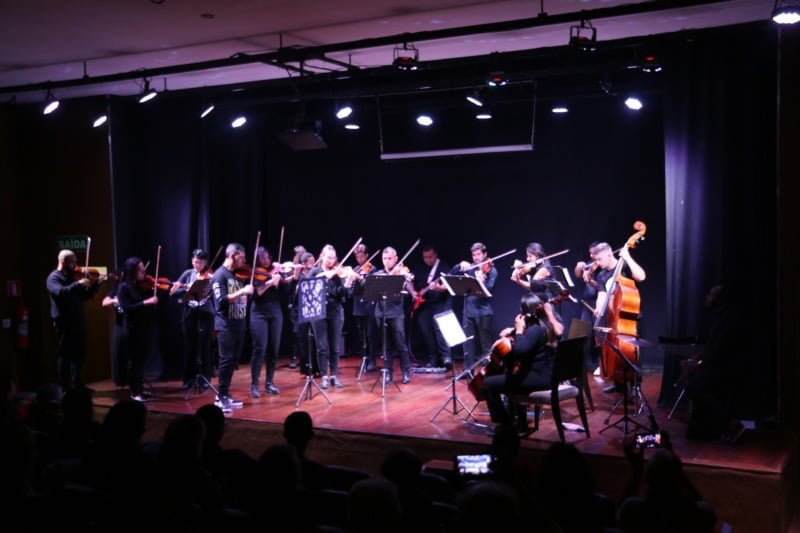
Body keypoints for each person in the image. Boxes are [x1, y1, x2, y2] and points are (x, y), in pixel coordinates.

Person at [480, 292, 563, 435]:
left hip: (538, 379)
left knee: (488, 383)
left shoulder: (535, 329)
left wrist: (518, 331)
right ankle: (521, 422)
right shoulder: (547, 325)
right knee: (513, 373)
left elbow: (520, 351)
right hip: (547, 376)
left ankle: (505, 425)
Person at [685, 285, 746, 442]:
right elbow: (712, 348)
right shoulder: (719, 318)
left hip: (726, 369)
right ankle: (705, 429)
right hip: (718, 366)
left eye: (711, 295)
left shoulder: (728, 319)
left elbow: (720, 352)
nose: (707, 297)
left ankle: (731, 423)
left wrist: (698, 364)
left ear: (720, 299)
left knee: (693, 386)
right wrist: (697, 358)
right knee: (692, 381)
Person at [590, 241, 646, 393]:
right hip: (613, 318)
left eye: (600, 259)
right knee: (615, 350)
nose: (597, 263)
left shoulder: (624, 266)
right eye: (596, 260)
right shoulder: (601, 275)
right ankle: (619, 383)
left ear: (609, 254)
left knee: (632, 351)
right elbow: (602, 295)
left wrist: (627, 257)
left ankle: (635, 385)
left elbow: (641, 277)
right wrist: (599, 307)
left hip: (628, 315)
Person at [46, 249, 106, 392]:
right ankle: (65, 388)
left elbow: (84, 296)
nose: (76, 265)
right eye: (73, 262)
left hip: (77, 321)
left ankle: (77, 385)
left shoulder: (72, 278)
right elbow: (60, 292)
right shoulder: (53, 278)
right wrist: (78, 284)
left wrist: (96, 285)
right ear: (63, 262)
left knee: (79, 354)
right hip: (64, 323)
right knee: (66, 355)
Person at [210, 243, 254, 409]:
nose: (244, 260)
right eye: (241, 257)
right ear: (232, 256)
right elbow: (221, 300)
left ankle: (226, 393)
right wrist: (242, 291)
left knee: (233, 361)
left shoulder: (236, 274)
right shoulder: (219, 275)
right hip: (226, 325)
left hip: (239, 323)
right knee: (226, 360)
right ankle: (221, 396)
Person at [309, 244, 359, 388]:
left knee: (335, 346)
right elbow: (307, 285)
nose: (331, 261)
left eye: (333, 258)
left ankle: (334, 376)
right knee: (322, 346)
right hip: (318, 311)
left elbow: (344, 294)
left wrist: (348, 281)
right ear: (322, 257)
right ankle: (324, 376)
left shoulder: (338, 273)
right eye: (328, 257)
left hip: (335, 311)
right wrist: (325, 276)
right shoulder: (315, 271)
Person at [170, 249, 215, 391]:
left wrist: (209, 282)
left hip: (205, 313)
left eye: (200, 263)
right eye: (195, 262)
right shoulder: (188, 274)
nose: (198, 265)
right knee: (190, 347)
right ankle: (188, 379)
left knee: (205, 346)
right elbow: (173, 293)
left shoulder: (210, 275)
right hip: (190, 313)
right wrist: (186, 289)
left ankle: (205, 378)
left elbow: (215, 291)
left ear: (205, 263)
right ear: (192, 261)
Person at [116, 257, 159, 401]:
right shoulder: (123, 287)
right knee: (134, 362)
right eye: (140, 270)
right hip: (131, 329)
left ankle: (140, 389)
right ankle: (134, 392)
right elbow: (127, 308)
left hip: (142, 328)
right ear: (132, 271)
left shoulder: (138, 285)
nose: (143, 272)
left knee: (140, 361)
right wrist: (146, 302)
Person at [451, 242, 498, 371]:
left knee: (485, 345)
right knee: (468, 344)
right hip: (468, 311)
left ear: (485, 254)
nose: (476, 257)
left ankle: (488, 371)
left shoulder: (491, 270)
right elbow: (452, 273)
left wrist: (481, 282)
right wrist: (460, 265)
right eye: (474, 255)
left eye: (478, 254)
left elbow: (489, 290)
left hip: (483, 312)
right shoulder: (470, 268)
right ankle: (468, 370)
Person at [372, 246, 413, 384]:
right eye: (384, 258)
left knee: (401, 344)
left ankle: (406, 372)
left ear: (396, 259)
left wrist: (402, 277)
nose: (387, 261)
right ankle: (388, 372)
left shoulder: (401, 273)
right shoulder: (379, 274)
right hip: (381, 313)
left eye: (389, 258)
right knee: (386, 346)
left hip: (396, 313)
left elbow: (406, 285)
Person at [409, 244, 452, 369]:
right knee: (426, 330)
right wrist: (413, 292)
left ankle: (446, 357)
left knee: (440, 330)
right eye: (425, 257)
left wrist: (437, 288)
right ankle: (433, 357)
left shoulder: (443, 267)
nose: (427, 260)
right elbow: (409, 280)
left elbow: (446, 286)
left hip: (440, 303)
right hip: (424, 304)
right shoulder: (419, 267)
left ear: (435, 255)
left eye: (430, 257)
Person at [248, 247, 284, 397]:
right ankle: (254, 385)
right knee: (260, 348)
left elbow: (285, 280)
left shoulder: (274, 270)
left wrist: (288, 273)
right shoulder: (254, 273)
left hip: (275, 311)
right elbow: (258, 291)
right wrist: (270, 282)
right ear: (257, 259)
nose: (266, 260)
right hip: (259, 313)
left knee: (274, 349)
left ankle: (269, 383)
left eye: (268, 257)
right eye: (263, 258)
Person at [351, 243, 378, 372]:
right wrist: (353, 279)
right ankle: (364, 358)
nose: (359, 259)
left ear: (367, 255)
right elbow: (352, 290)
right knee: (361, 334)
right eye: (357, 257)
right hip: (358, 306)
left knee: (371, 334)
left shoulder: (372, 269)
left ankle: (372, 359)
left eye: (362, 256)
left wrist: (362, 279)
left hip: (369, 305)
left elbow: (371, 287)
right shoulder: (355, 269)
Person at [102, 269, 127, 387]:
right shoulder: (115, 291)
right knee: (118, 350)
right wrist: (114, 299)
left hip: (130, 323)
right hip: (119, 324)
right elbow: (104, 302)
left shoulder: (129, 289)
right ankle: (120, 379)